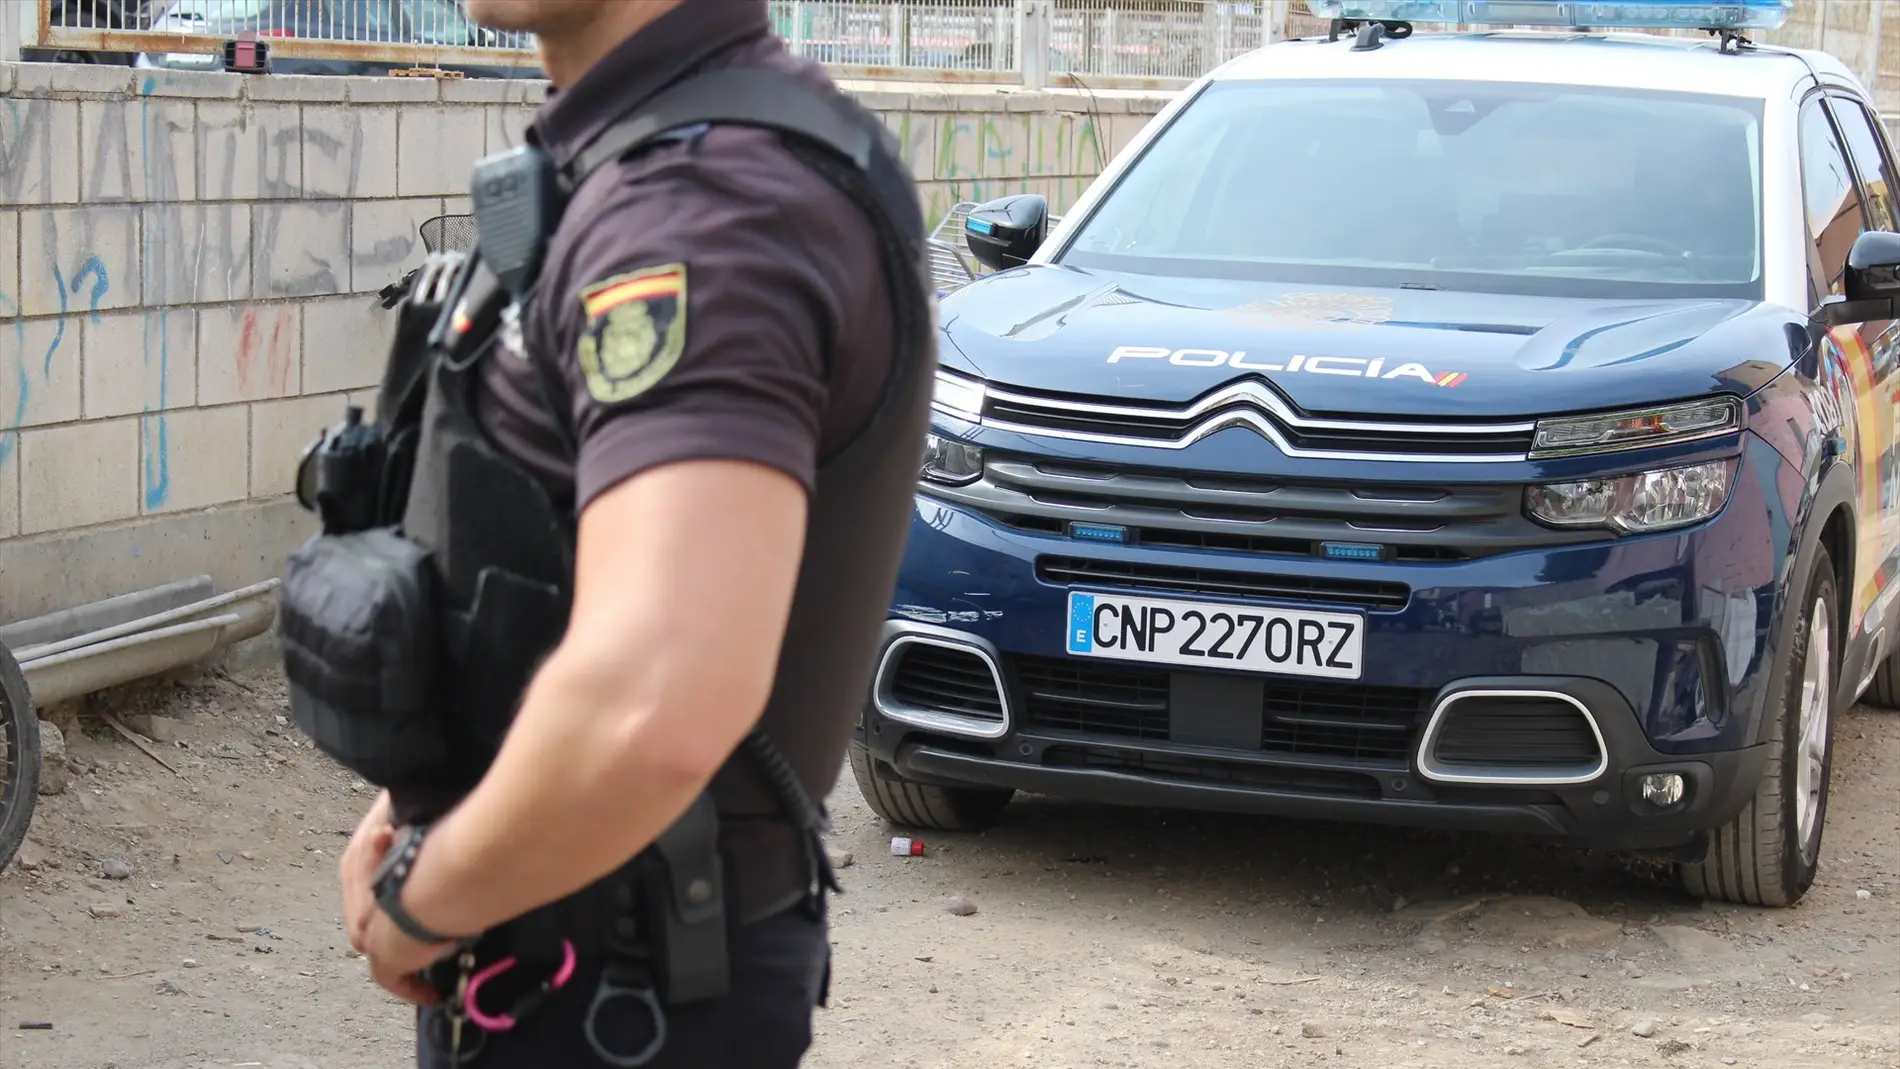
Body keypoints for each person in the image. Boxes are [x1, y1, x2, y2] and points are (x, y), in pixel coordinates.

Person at [318, 1, 934, 1065]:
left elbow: (659, 689)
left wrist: (425, 893)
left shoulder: (708, 208)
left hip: (625, 988)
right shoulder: (637, 153)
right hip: (573, 958)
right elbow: (539, 569)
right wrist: (422, 805)